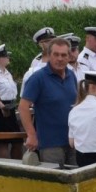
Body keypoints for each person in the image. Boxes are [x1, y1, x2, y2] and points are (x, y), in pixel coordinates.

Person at [19, 37, 78, 165]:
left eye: (63, 55)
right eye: (56, 54)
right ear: (49, 55)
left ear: (69, 57)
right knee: (56, 182)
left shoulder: (71, 75)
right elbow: (23, 107)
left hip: (73, 140)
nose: (60, 59)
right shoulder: (38, 78)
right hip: (50, 144)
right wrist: (31, 135)